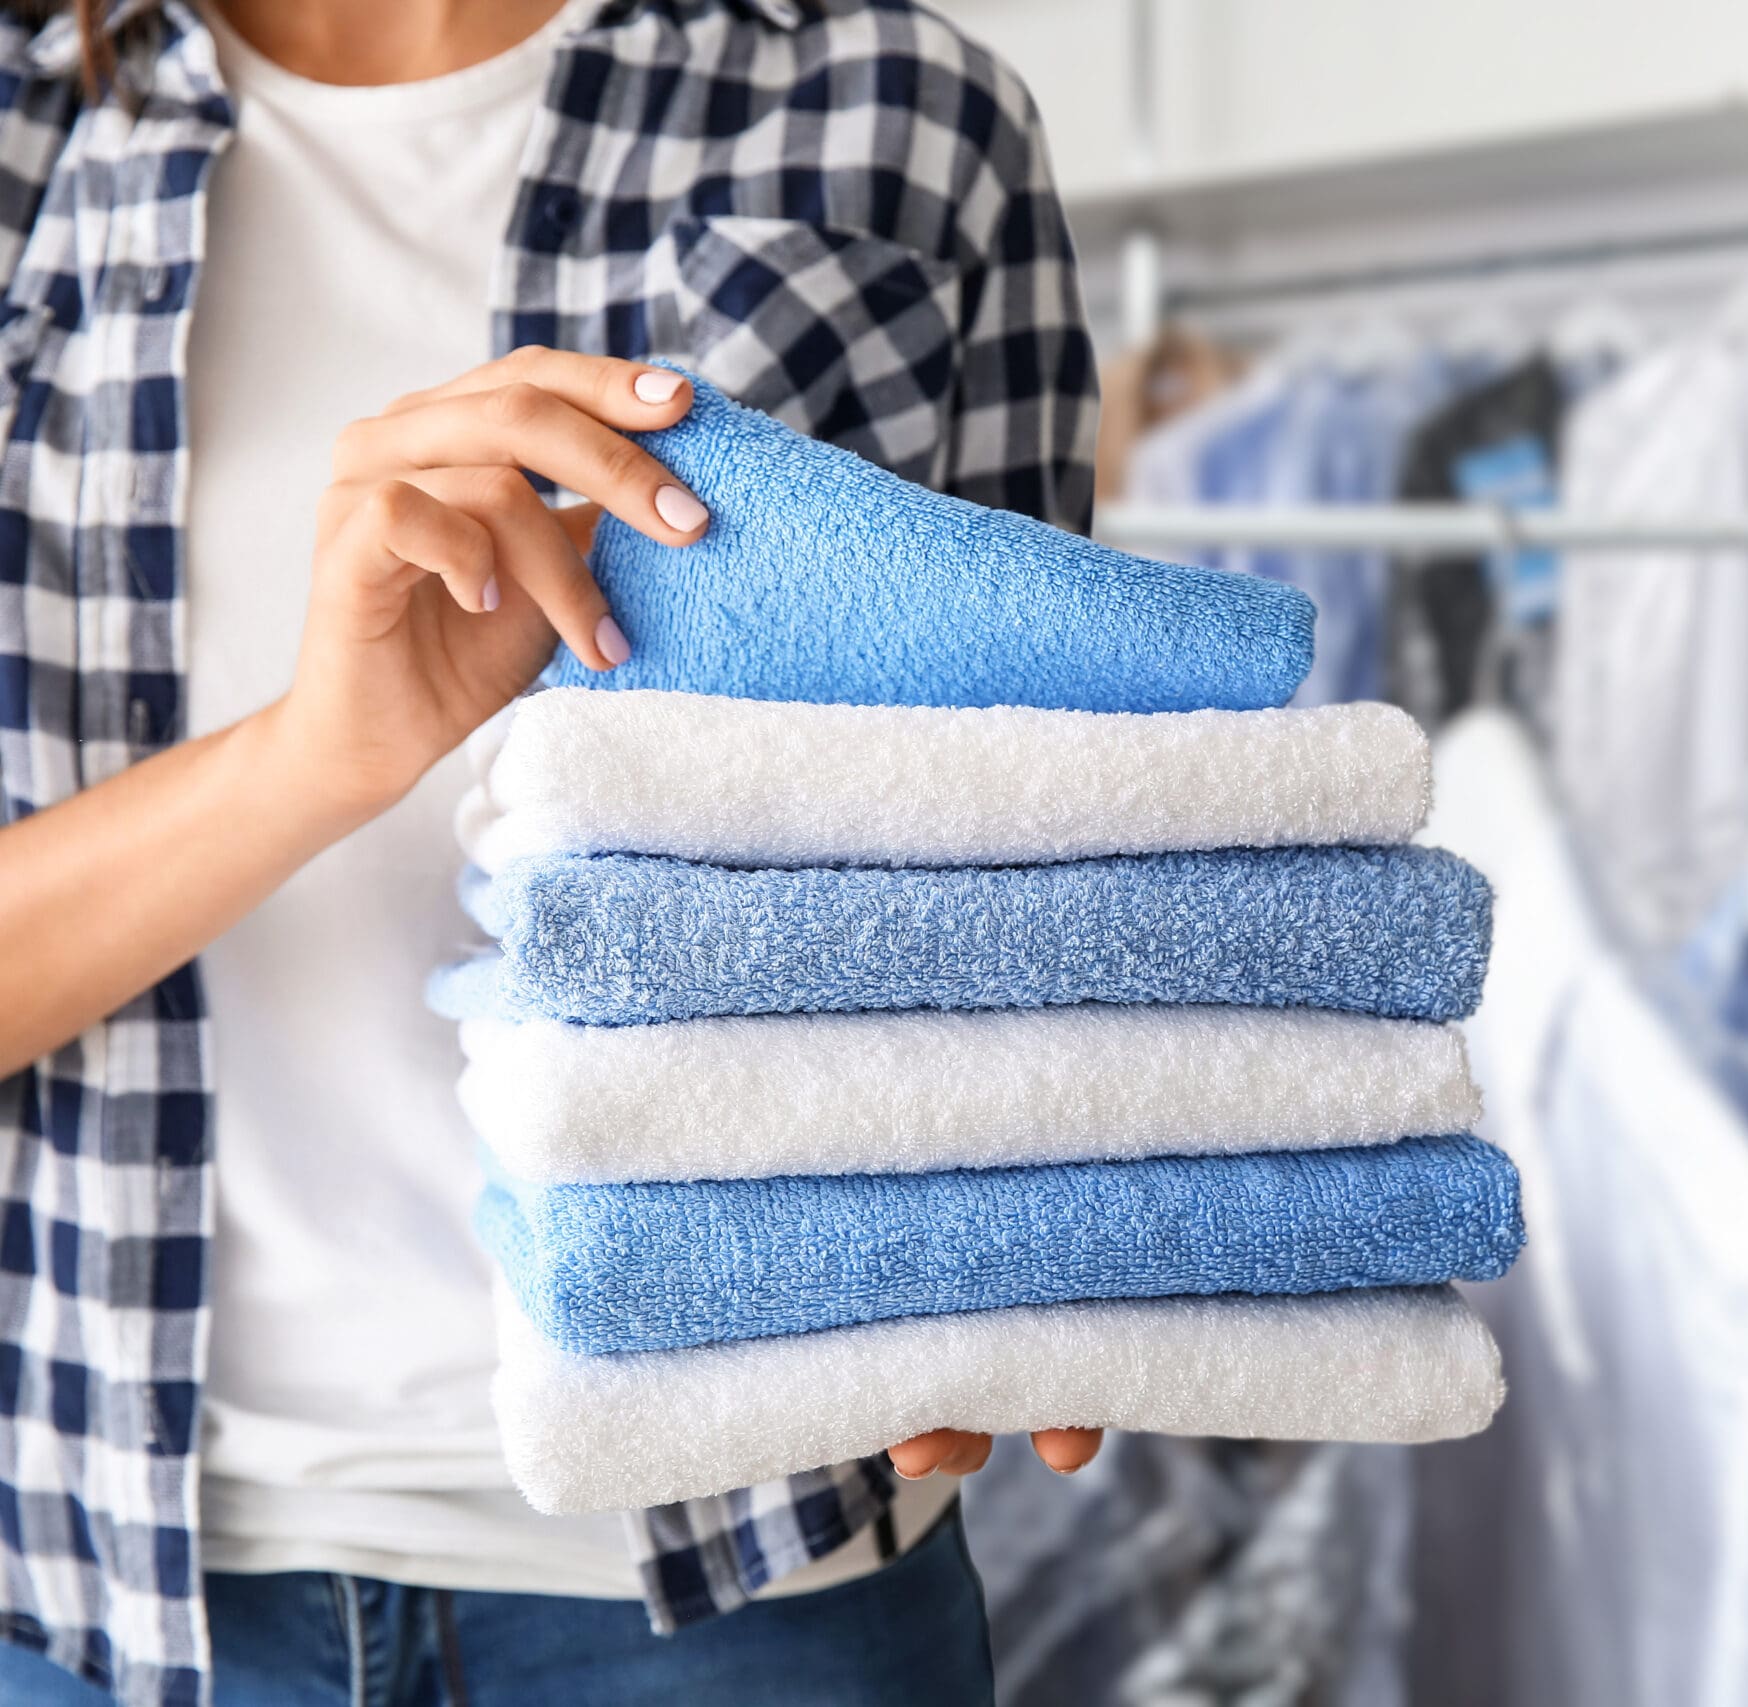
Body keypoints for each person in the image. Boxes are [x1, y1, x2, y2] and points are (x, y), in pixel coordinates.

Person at [0, 0, 1104, 1700]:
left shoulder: (901, 110)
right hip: (113, 1590)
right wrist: (318, 754)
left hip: (762, 1568)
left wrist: (1046, 1203)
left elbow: (1048, 823)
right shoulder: (26, 132)